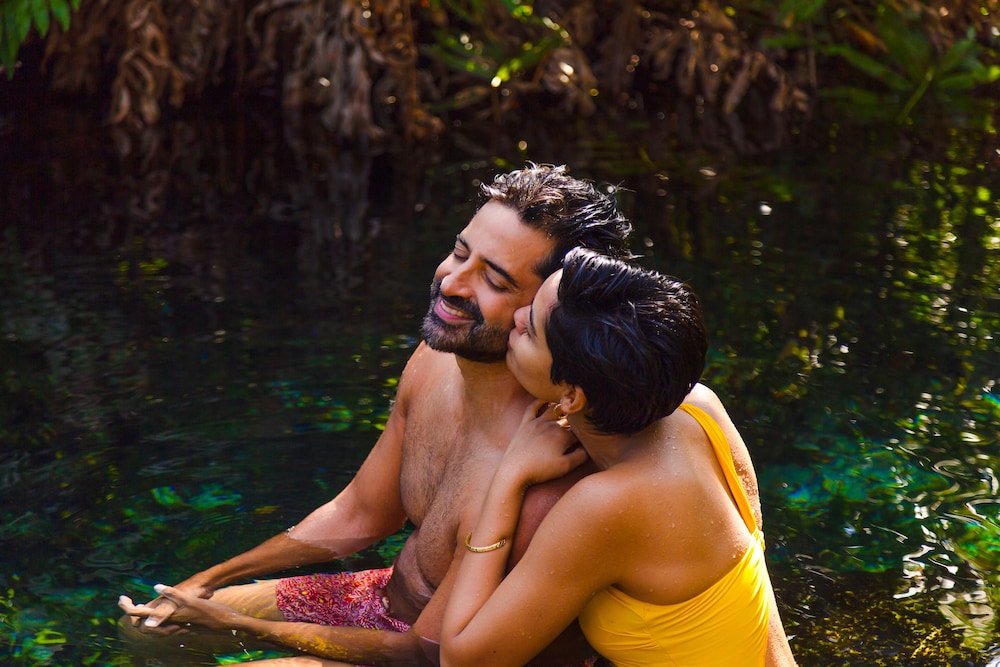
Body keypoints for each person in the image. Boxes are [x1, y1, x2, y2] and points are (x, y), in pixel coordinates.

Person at [117, 164, 633, 666]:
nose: (452, 284)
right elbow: (363, 512)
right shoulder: (435, 361)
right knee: (149, 629)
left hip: (430, 655)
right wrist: (208, 581)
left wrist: (239, 625)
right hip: (383, 599)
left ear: (550, 308)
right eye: (459, 253)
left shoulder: (550, 462)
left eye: (493, 281)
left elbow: (432, 654)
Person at [439, 248, 798, 667]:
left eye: (531, 329)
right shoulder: (700, 407)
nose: (517, 317)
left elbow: (461, 660)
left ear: (572, 396)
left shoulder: (606, 504)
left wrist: (509, 476)